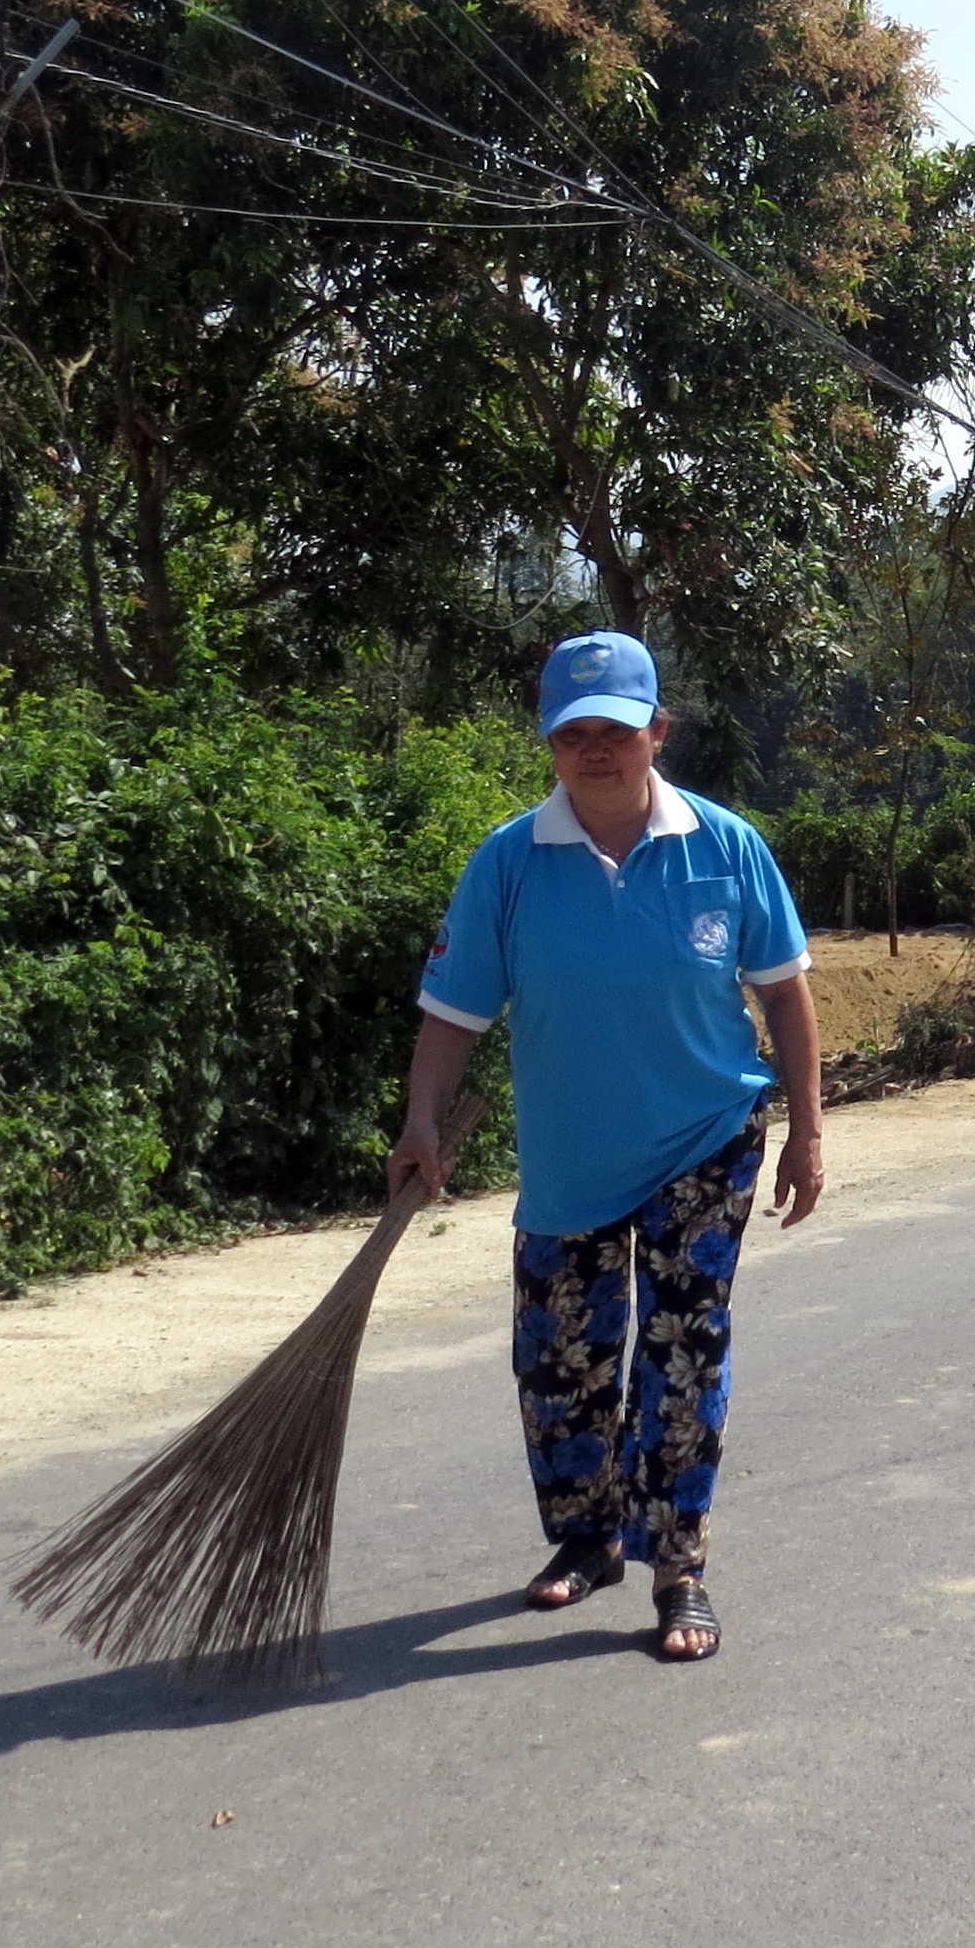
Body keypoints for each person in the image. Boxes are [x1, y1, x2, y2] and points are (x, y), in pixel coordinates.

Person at [388, 630, 821, 1665]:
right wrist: (419, 1119)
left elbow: (787, 994)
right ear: (548, 743)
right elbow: (452, 1012)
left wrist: (807, 1129)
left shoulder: (725, 846)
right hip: (571, 1161)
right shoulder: (509, 863)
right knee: (561, 1362)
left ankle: (679, 1565)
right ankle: (589, 1534)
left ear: (656, 733)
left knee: (682, 1352)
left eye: (615, 732)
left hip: (706, 1140)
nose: (594, 751)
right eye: (572, 733)